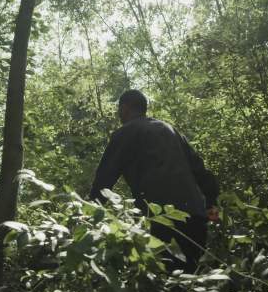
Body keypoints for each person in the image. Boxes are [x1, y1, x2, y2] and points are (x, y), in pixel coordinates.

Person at [89, 89, 219, 273]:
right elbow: (200, 169)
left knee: (169, 280)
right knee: (194, 279)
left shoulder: (125, 133)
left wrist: (91, 216)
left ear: (125, 108)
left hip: (163, 220)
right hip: (195, 216)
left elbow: (104, 179)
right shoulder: (169, 129)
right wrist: (211, 203)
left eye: (119, 109)